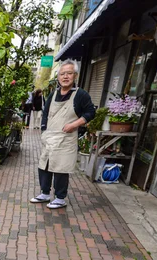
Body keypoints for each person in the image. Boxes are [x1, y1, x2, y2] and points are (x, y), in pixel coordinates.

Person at [30, 59, 95, 209]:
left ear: (75, 75)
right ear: (58, 76)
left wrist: (74, 124)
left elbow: (91, 112)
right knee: (44, 165)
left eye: (69, 73)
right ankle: (45, 193)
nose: (65, 76)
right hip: (50, 137)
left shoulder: (80, 95)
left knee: (61, 168)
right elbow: (46, 113)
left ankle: (60, 198)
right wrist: (44, 130)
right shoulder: (53, 94)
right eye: (62, 73)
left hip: (66, 138)